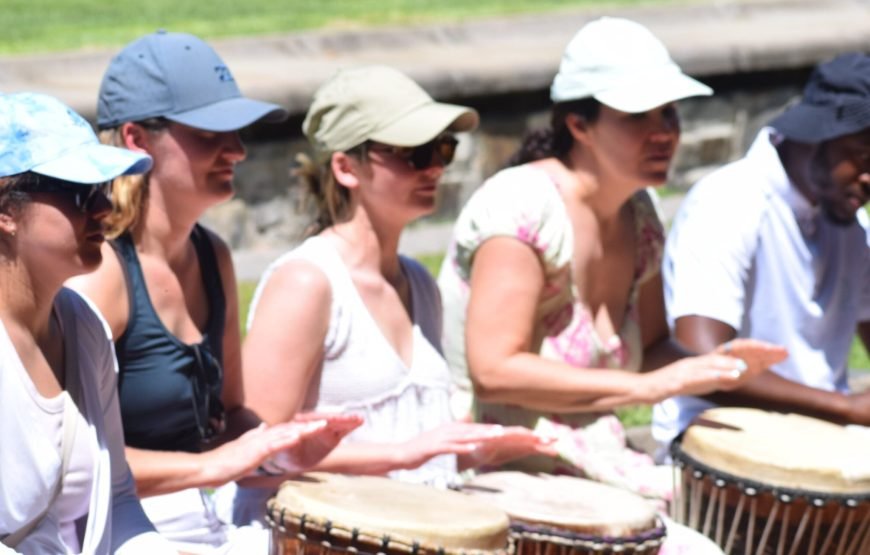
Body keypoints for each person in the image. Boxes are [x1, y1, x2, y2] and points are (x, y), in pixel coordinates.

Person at [437, 17, 787, 499]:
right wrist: (650, 388)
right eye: (638, 116)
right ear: (579, 125)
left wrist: (717, 366)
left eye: (669, 113)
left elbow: (656, 350)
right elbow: (494, 372)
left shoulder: (640, 218)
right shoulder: (519, 209)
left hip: (593, 461)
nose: (663, 132)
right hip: (493, 465)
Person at [66, 31, 361, 553]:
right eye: (210, 132)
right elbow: (70, 462)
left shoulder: (212, 255)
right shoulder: (102, 271)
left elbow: (231, 417)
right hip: (114, 533)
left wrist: (280, 446)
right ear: (137, 139)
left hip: (201, 518)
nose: (239, 151)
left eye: (238, 132)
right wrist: (212, 465)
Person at [234, 65, 555, 525]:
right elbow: (254, 459)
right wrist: (405, 454)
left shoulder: (419, 284)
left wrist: (473, 445)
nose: (436, 166)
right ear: (346, 167)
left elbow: (411, 445)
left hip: (412, 528)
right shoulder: (307, 283)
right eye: (413, 152)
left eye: (443, 148)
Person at [652, 53, 870, 450]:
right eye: (864, 156)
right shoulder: (730, 202)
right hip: (717, 446)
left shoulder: (855, 227)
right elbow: (699, 358)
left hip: (830, 441)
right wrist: (845, 407)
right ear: (817, 135)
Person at [0, 92, 174, 553]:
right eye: (80, 192)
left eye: (103, 188)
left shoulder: (85, 327)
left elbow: (117, 499)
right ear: (5, 211)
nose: (104, 208)